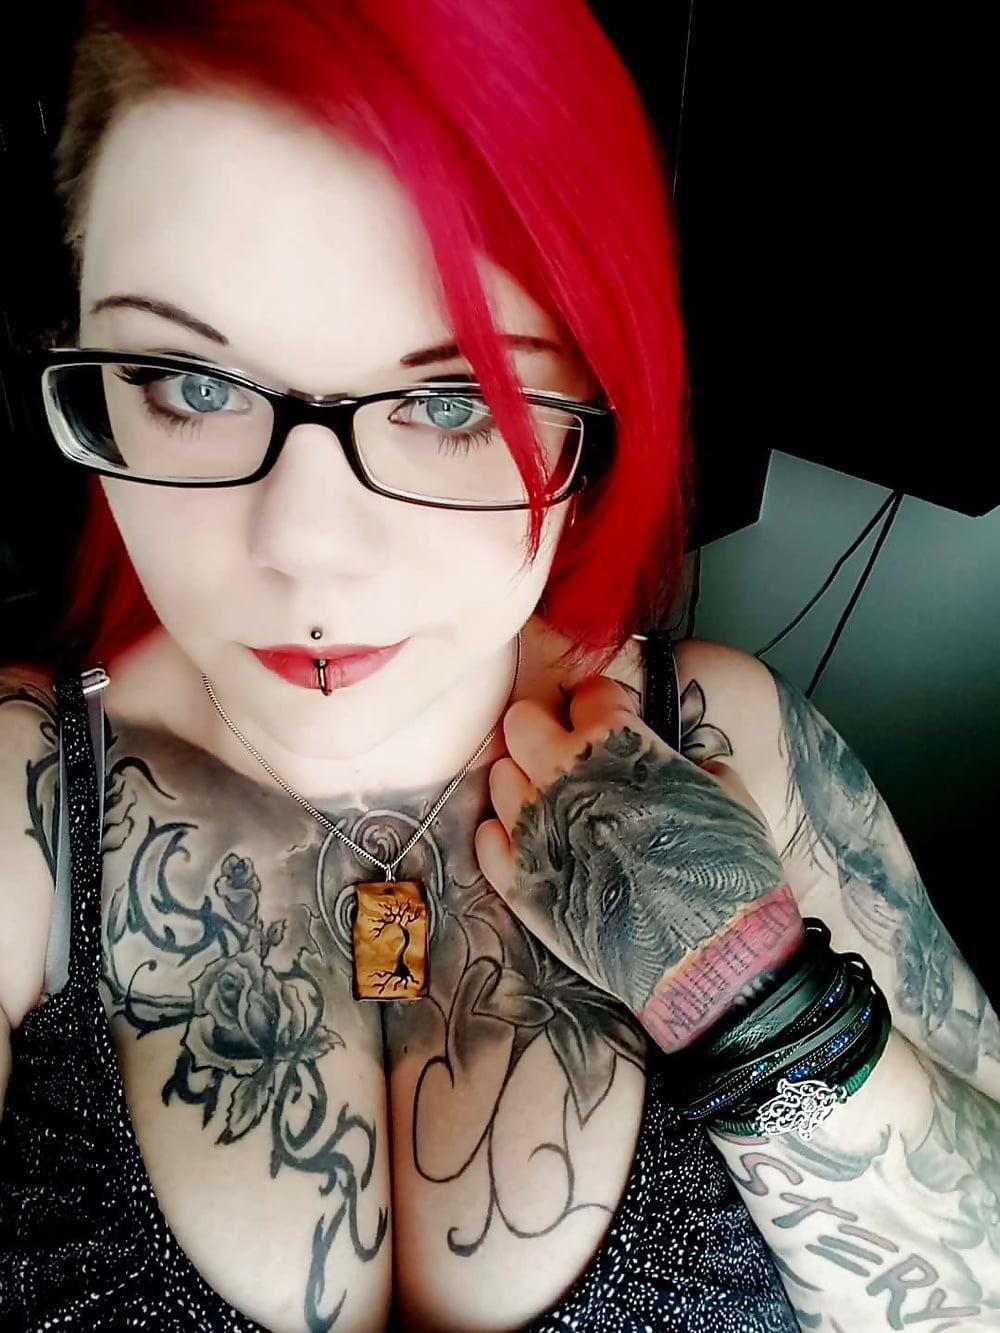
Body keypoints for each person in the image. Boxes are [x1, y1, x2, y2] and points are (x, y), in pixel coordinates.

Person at [2, 3, 996, 1332]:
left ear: (600, 385)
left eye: (454, 399)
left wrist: (763, 1002)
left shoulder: (728, 739)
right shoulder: (19, 808)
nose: (306, 553)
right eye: (191, 384)